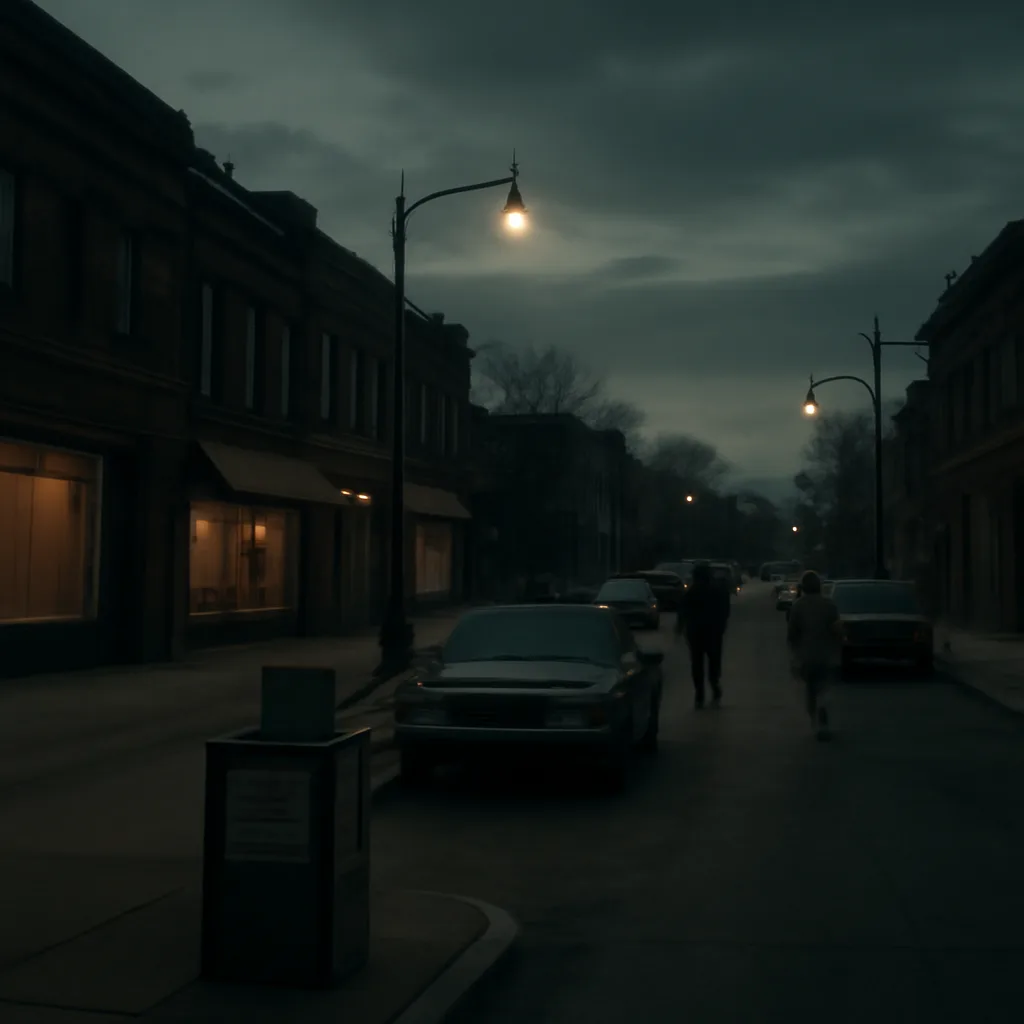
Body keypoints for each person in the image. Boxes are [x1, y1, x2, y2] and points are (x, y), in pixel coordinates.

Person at [786, 570, 841, 739]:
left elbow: (792, 635)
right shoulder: (830, 605)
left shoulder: (797, 606)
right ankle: (823, 715)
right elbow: (837, 631)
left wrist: (795, 656)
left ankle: (815, 721)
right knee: (824, 687)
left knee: (810, 690)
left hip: (806, 656)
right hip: (826, 655)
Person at [676, 561, 731, 708]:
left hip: (696, 633)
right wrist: (721, 626)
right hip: (713, 633)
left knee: (697, 664)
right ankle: (714, 686)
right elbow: (725, 611)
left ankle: (700, 693)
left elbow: (682, 612)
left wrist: (680, 628)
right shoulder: (717, 591)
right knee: (713, 662)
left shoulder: (691, 592)